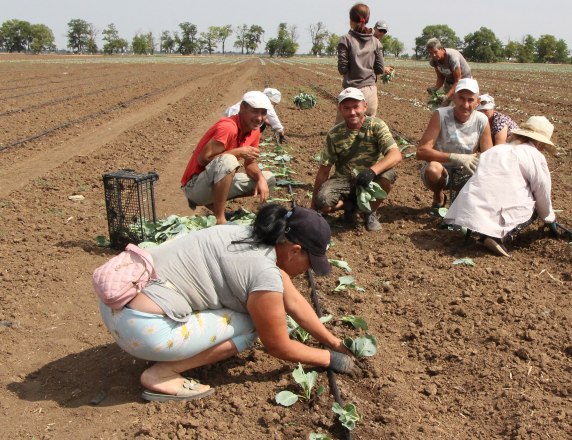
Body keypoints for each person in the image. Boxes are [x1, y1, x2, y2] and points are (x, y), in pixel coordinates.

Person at [98, 204, 359, 401]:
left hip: (117, 304)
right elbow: (278, 345)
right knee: (250, 324)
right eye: (310, 263)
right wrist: (328, 358)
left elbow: (291, 297)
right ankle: (162, 374)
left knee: (247, 308)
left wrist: (332, 341)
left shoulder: (244, 234)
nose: (308, 271)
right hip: (145, 331)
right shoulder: (263, 272)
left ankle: (170, 349)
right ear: (294, 251)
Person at [444, 116, 558, 256]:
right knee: (534, 204)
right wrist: (549, 218)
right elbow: (542, 191)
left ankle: (477, 228)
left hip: (467, 207)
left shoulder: (495, 150)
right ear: (541, 144)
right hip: (498, 212)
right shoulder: (534, 155)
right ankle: (497, 236)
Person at [311, 87, 402, 231]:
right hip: (344, 179)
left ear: (365, 106)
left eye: (356, 107)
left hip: (371, 178)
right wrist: (313, 208)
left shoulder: (376, 126)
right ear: (340, 109)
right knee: (324, 202)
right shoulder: (334, 134)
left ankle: (369, 212)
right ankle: (350, 207)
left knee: (387, 175)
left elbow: (395, 155)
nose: (352, 112)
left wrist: (372, 171)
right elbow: (323, 171)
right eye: (346, 108)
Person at [181, 90, 276, 225]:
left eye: (263, 113)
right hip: (195, 186)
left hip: (214, 181)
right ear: (242, 108)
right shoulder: (228, 127)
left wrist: (260, 178)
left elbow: (250, 164)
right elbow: (202, 159)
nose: (260, 118)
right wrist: (238, 152)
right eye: (255, 111)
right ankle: (220, 219)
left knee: (268, 179)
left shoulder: (255, 131)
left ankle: (216, 207)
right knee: (228, 161)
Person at [416, 78, 492, 211]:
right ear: (454, 98)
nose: (466, 104)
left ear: (478, 102)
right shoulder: (441, 115)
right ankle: (438, 194)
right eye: (461, 98)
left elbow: (489, 156)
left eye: (470, 100)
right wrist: (454, 157)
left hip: (465, 170)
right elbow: (421, 152)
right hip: (440, 168)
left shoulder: (482, 120)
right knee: (433, 170)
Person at [336, 3, 389, 122]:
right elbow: (380, 69)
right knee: (367, 133)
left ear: (351, 19)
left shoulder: (346, 40)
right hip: (370, 94)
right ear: (367, 20)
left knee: (341, 134)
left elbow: (342, 69)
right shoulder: (376, 42)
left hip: (352, 94)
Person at [426, 38, 472, 106]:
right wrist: (435, 88)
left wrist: (447, 96)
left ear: (441, 49)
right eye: (431, 53)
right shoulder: (434, 61)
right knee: (443, 108)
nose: (433, 55)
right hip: (450, 82)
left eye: (435, 52)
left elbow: (458, 80)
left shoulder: (452, 58)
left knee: (456, 107)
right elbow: (440, 77)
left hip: (464, 82)